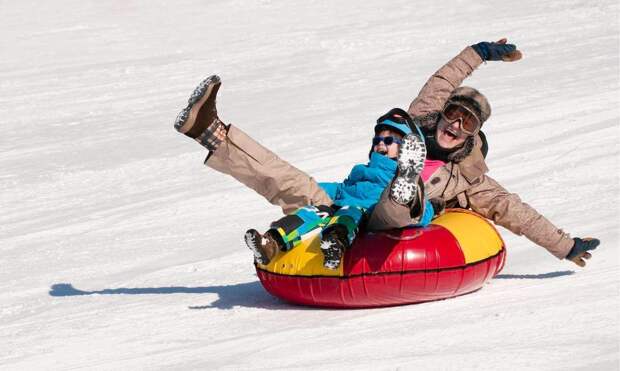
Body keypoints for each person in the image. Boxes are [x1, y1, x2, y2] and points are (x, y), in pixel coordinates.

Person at [366, 39, 600, 267]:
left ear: (472, 134)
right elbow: (445, 79)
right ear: (442, 113)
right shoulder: (420, 117)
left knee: (398, 206)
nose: (456, 125)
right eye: (453, 113)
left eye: (467, 123)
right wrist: (481, 52)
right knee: (333, 194)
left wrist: (565, 246)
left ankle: (406, 188)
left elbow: (514, 211)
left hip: (396, 219)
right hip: (365, 197)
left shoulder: (467, 178)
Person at [175, 76, 433, 269]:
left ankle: (406, 188)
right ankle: (208, 132)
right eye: (378, 138)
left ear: (409, 148)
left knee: (394, 203)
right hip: (341, 214)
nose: (380, 144)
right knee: (291, 180)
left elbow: (427, 213)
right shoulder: (359, 174)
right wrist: (293, 187)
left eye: (390, 141)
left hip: (379, 218)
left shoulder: (408, 179)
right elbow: (332, 191)